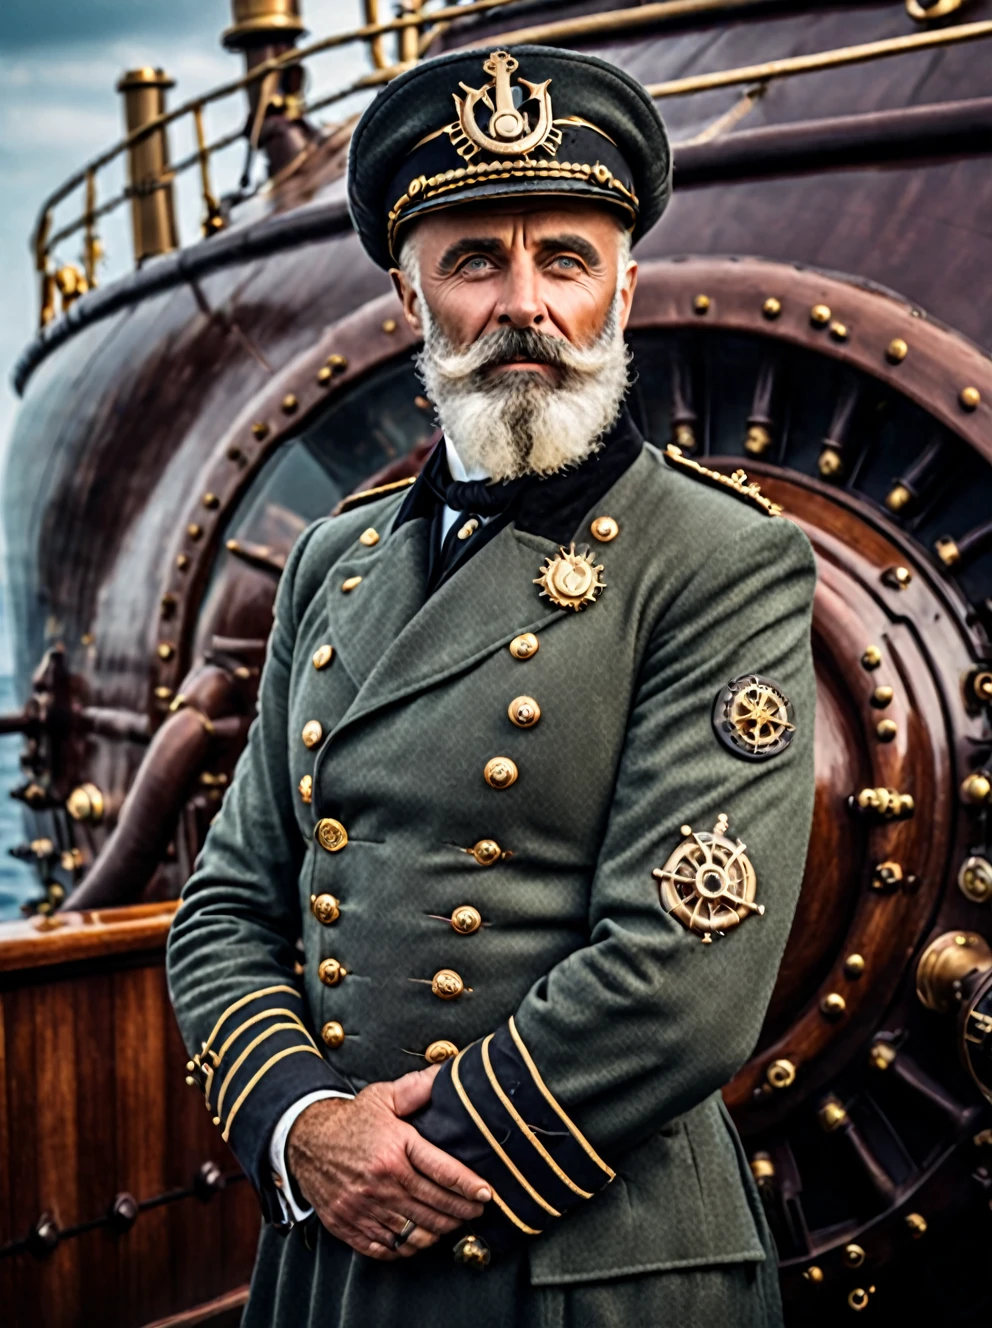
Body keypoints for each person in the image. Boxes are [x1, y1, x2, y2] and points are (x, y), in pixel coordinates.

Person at [166, 43, 817, 1328]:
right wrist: (301, 1128)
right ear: (413, 297)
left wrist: (394, 1172)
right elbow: (228, 902)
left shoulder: (718, 558)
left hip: (582, 1266)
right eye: (474, 260)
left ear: (620, 287)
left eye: (562, 259)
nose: (522, 304)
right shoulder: (331, 561)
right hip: (325, 1260)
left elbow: (681, 980)